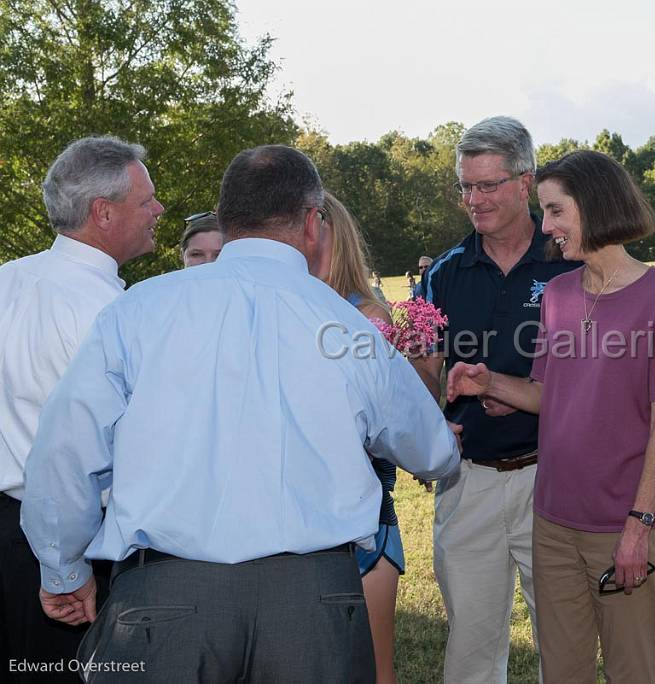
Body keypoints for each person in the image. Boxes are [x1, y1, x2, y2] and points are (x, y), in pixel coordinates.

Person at [20, 145, 461, 683]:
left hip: (164, 600)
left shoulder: (137, 311)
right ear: (312, 222)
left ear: (226, 223)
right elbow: (433, 451)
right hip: (313, 607)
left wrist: (64, 567)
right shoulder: (345, 327)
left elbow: (65, 447)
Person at [446, 150, 655, 683]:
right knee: (562, 671)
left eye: (556, 211)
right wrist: (486, 382)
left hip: (621, 524)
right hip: (552, 521)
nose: (548, 227)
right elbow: (546, 393)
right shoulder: (557, 293)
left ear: (596, 205)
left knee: (632, 671)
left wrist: (639, 524)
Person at [412, 116, 579, 683]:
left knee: (565, 642)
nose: (473, 200)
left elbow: (598, 381)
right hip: (468, 481)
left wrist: (524, 396)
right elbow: (420, 373)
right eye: (465, 186)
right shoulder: (442, 274)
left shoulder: (572, 263)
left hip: (553, 478)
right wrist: (432, 411)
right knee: (472, 649)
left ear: (526, 183)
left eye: (488, 186)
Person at [0, 136, 162, 681]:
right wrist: (68, 566)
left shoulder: (6, 282)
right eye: (148, 200)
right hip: (78, 550)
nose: (159, 211)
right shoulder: (116, 315)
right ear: (104, 212)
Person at [317, 191, 403, 684]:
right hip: (292, 530)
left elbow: (382, 427)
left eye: (314, 228)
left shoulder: (367, 315)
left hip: (364, 527)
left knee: (372, 670)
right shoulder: (275, 304)